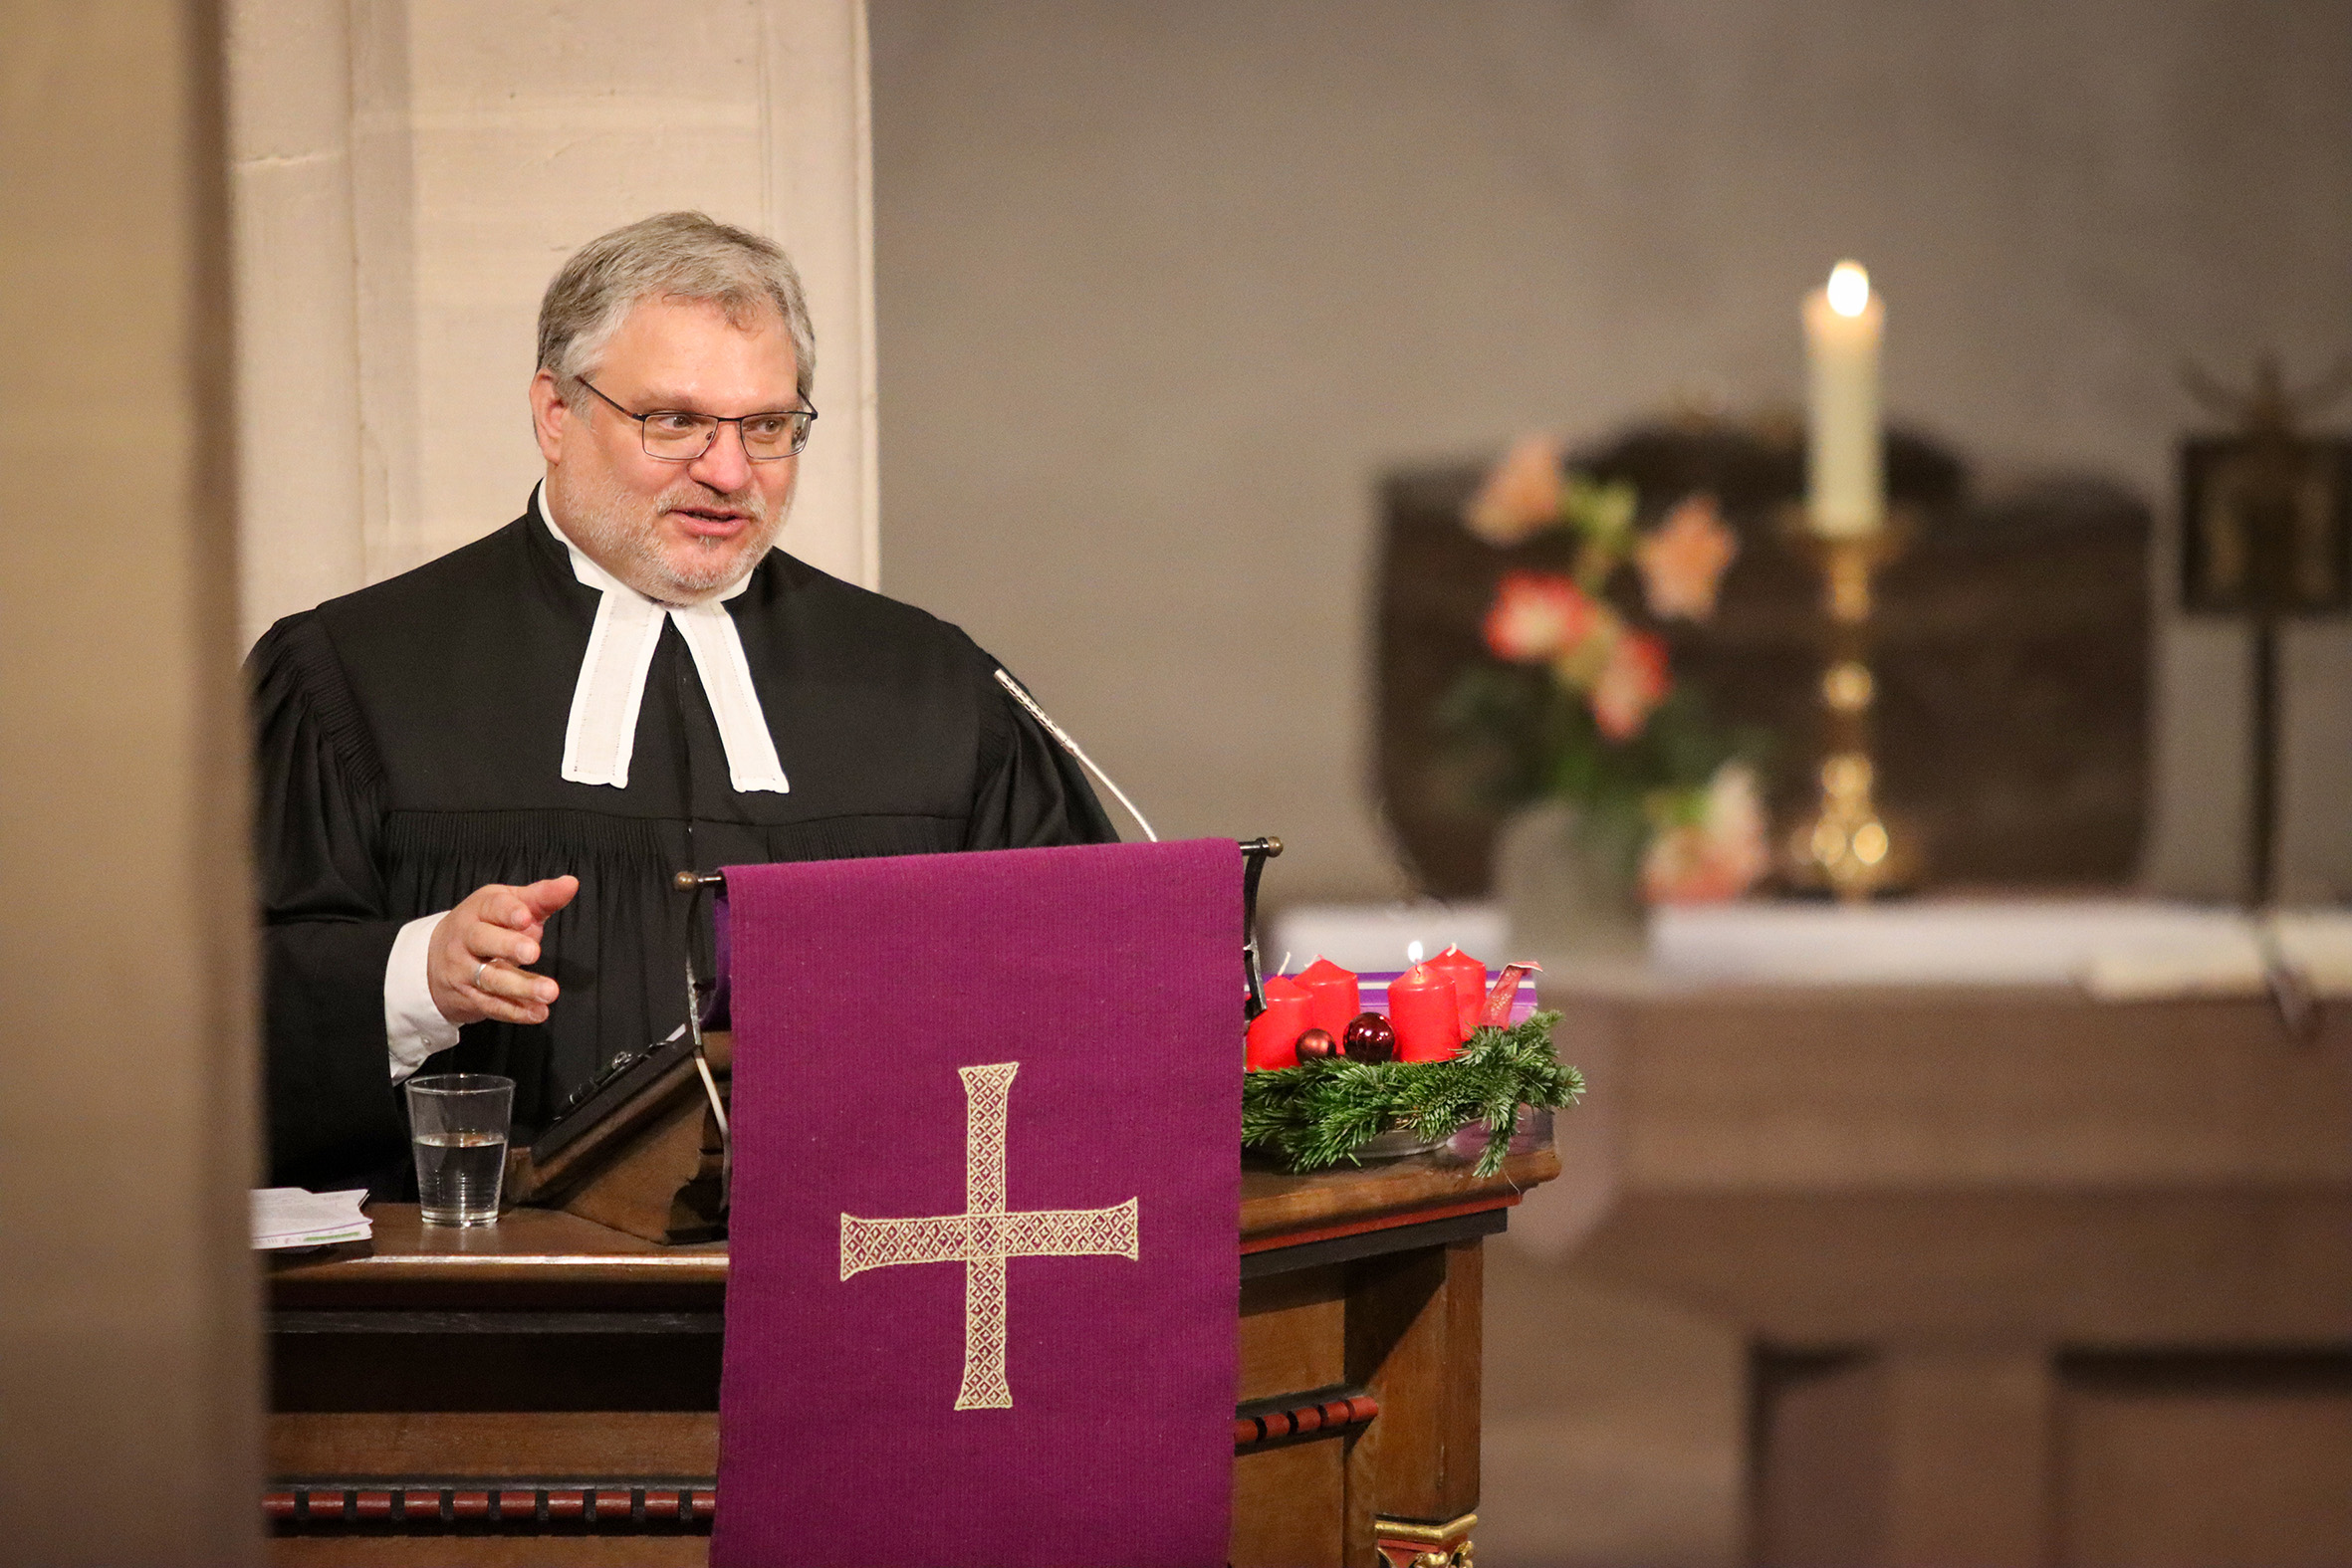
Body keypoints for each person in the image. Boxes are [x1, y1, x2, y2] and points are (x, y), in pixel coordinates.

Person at [253, 211, 1115, 1190]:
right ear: (555, 413)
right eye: (674, 421)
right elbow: (204, 1020)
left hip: (854, 1260)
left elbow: (1084, 995)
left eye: (767, 427)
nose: (729, 472)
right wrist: (420, 974)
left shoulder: (938, 690)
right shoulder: (351, 676)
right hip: (490, 1273)